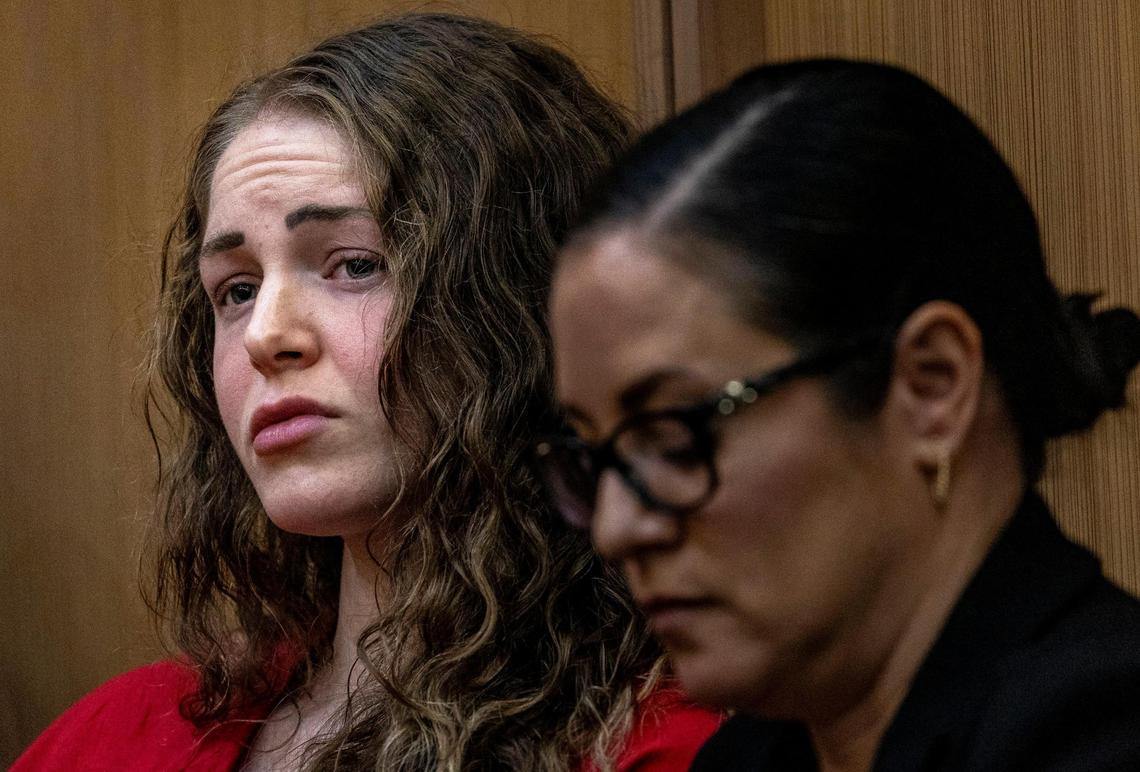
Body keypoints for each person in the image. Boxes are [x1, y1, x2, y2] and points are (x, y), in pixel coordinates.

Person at [15, 13, 720, 772]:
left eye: (354, 265)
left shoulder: (677, 745)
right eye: (237, 289)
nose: (265, 335)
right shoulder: (116, 738)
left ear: (528, 299)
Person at [542, 59, 1140, 770]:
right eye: (592, 458)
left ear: (932, 386)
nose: (614, 529)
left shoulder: (1105, 731)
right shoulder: (747, 758)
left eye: (674, 435)